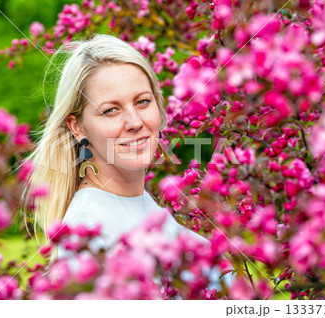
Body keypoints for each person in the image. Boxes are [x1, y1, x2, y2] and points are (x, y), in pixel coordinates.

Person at [22, 33, 215, 271]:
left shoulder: (144, 207)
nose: (134, 122)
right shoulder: (89, 233)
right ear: (77, 127)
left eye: (142, 102)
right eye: (111, 110)